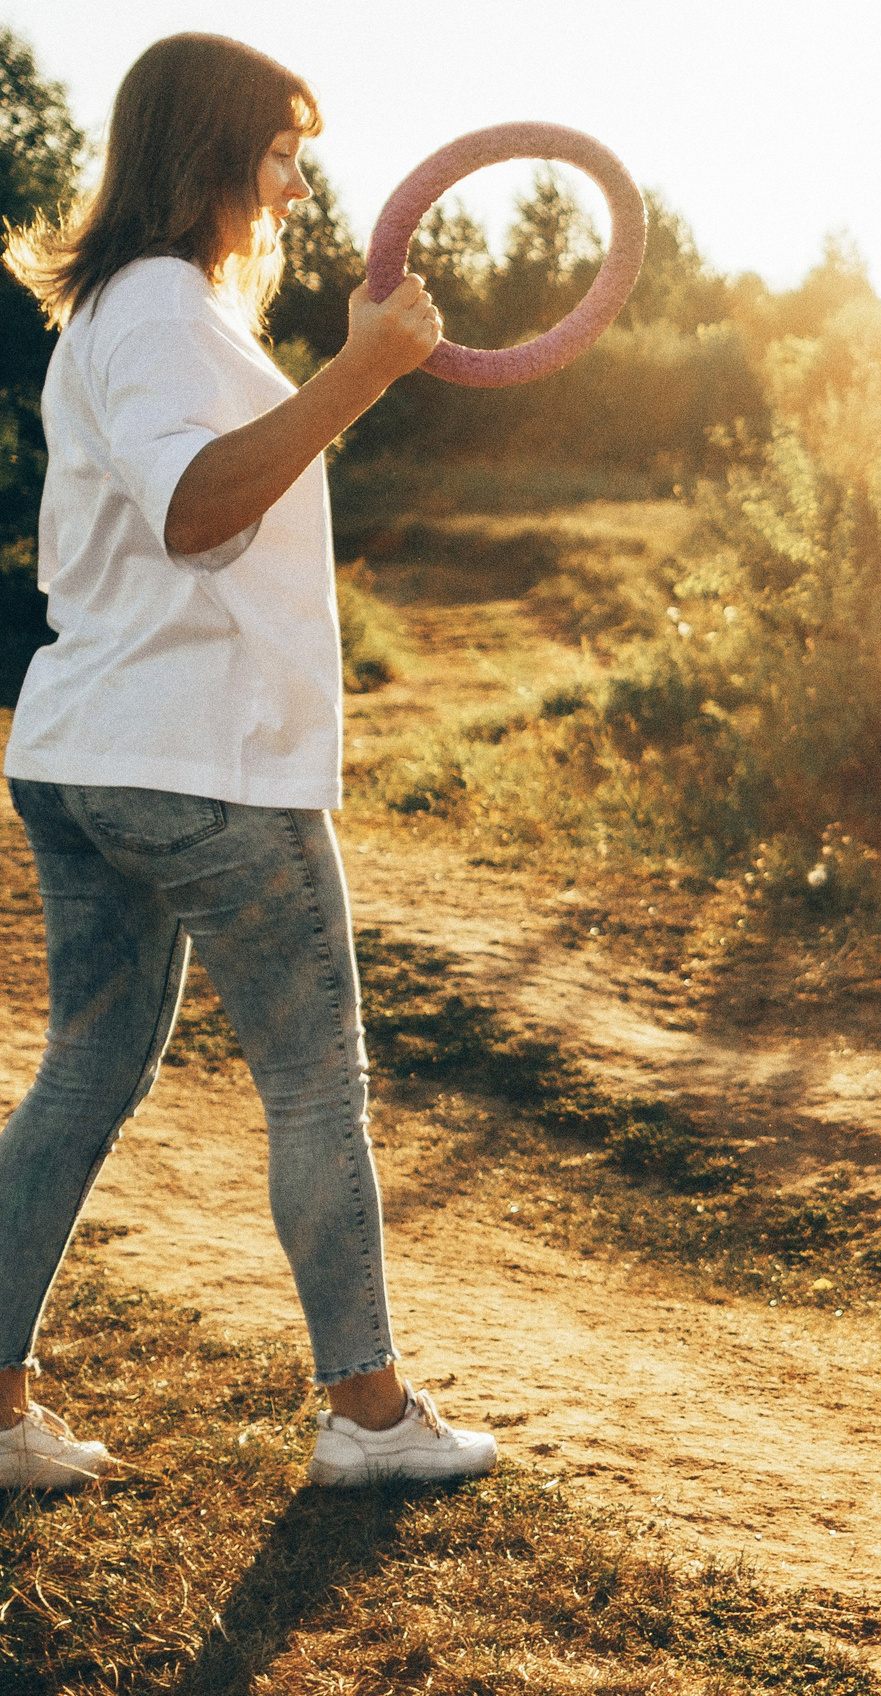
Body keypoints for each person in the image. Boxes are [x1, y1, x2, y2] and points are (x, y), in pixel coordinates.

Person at [0, 33, 496, 1489]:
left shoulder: (142, 309)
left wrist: (349, 371)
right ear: (209, 154)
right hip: (198, 759)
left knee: (87, 1069)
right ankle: (371, 1414)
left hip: (96, 742)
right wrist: (364, 369)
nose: (292, 184)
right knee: (315, 1081)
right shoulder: (157, 310)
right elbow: (203, 509)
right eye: (278, 152)